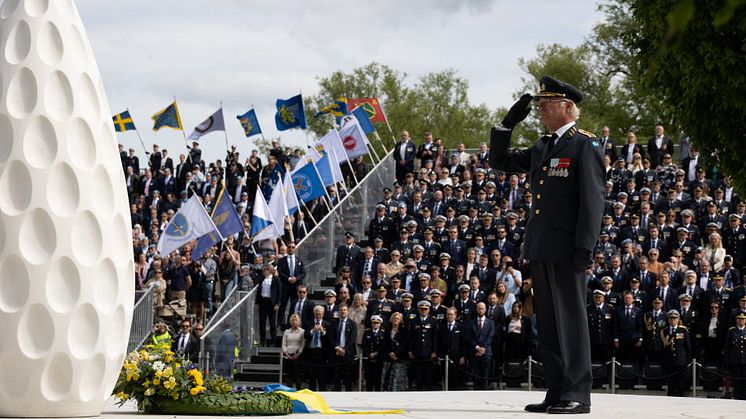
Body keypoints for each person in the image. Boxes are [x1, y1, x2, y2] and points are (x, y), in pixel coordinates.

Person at [490, 76, 604, 414]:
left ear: (568, 107)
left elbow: (593, 201)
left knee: (571, 321)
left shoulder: (585, 145)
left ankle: (577, 395)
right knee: (551, 325)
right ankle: (556, 391)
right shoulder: (543, 146)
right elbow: (500, 162)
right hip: (541, 246)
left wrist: (585, 247)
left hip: (569, 247)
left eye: (547, 103)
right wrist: (505, 125)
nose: (540, 108)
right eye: (539, 104)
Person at [660, 310, 691, 397]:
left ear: (678, 319)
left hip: (680, 361)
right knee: (670, 385)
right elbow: (663, 348)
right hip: (669, 361)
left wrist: (687, 360)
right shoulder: (664, 331)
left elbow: (687, 346)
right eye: (671, 318)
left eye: (675, 318)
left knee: (680, 384)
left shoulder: (683, 330)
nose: (673, 320)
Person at [382, 312, 409, 391]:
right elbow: (385, 343)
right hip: (388, 357)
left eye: (397, 318)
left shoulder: (404, 331)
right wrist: (390, 352)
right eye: (394, 318)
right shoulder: (387, 330)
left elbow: (404, 344)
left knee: (397, 378)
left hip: (399, 358)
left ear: (400, 320)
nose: (395, 320)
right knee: (387, 378)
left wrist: (396, 353)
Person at [332, 304, 357, 391]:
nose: (343, 311)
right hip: (336, 353)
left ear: (348, 311)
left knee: (347, 377)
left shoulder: (352, 324)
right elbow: (331, 338)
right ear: (339, 312)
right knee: (336, 377)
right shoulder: (334, 323)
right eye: (341, 310)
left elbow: (352, 339)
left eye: (344, 310)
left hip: (347, 354)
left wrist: (344, 349)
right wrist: (337, 348)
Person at [256, 264, 281, 346]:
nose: (265, 271)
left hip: (271, 302)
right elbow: (258, 291)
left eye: (267, 269)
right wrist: (257, 302)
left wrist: (277, 303)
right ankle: (262, 340)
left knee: (272, 322)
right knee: (262, 323)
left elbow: (279, 292)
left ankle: (273, 340)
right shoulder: (261, 279)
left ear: (270, 270)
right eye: (264, 269)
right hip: (263, 301)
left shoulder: (275, 279)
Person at [724, 312, 746, 400]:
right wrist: (727, 361)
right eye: (739, 319)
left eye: (743, 319)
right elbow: (727, 347)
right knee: (736, 381)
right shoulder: (731, 331)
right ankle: (737, 397)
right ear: (736, 320)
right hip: (735, 360)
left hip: (745, 361)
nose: (741, 321)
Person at [362, 315, 386, 391]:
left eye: (377, 323)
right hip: (368, 359)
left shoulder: (383, 332)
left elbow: (384, 346)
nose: (375, 324)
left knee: (377, 380)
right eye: (374, 323)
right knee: (369, 380)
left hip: (378, 360)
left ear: (380, 324)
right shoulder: (367, 331)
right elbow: (364, 344)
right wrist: (369, 354)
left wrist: (376, 353)